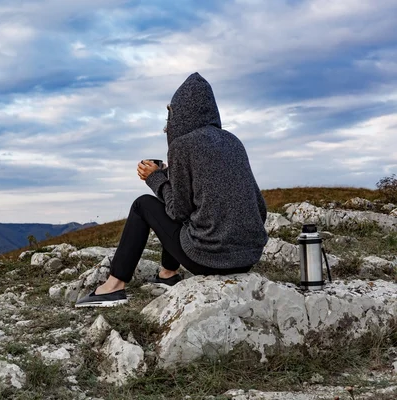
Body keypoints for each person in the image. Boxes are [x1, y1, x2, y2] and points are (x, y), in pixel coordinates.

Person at [75, 72, 269, 308]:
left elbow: (177, 211)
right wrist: (171, 175)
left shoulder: (182, 146)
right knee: (188, 216)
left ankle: (113, 286)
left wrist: (155, 179)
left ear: (179, 113)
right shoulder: (233, 142)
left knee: (142, 204)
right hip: (247, 258)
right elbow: (260, 208)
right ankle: (168, 274)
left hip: (209, 260)